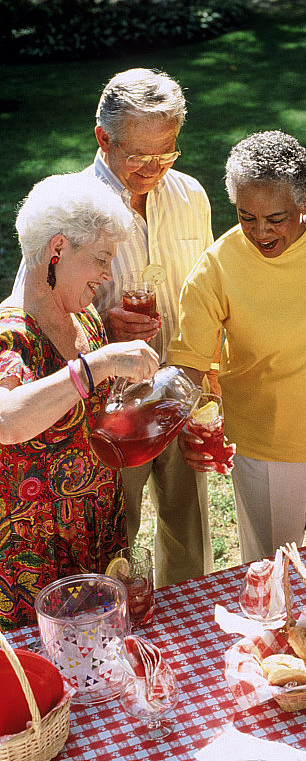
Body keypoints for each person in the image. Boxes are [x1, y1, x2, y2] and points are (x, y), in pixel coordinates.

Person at [14, 67, 215, 586]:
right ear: (103, 138)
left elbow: (210, 293)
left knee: (189, 540)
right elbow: (32, 310)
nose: (153, 168)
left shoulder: (190, 197)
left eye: (167, 151)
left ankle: (187, 643)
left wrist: (206, 382)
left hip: (180, 390)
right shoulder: (69, 205)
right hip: (104, 414)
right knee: (109, 545)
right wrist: (104, 324)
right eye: (138, 155)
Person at [167, 130, 306, 563]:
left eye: (275, 217)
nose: (259, 231)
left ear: (305, 198)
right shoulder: (216, 269)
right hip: (265, 443)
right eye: (246, 216)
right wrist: (183, 422)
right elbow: (190, 365)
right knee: (273, 569)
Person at [0, 173, 159, 629]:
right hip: (35, 564)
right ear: (57, 250)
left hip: (98, 544)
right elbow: (8, 420)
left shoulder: (84, 318)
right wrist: (97, 366)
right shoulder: (14, 335)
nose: (107, 275)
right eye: (101, 259)